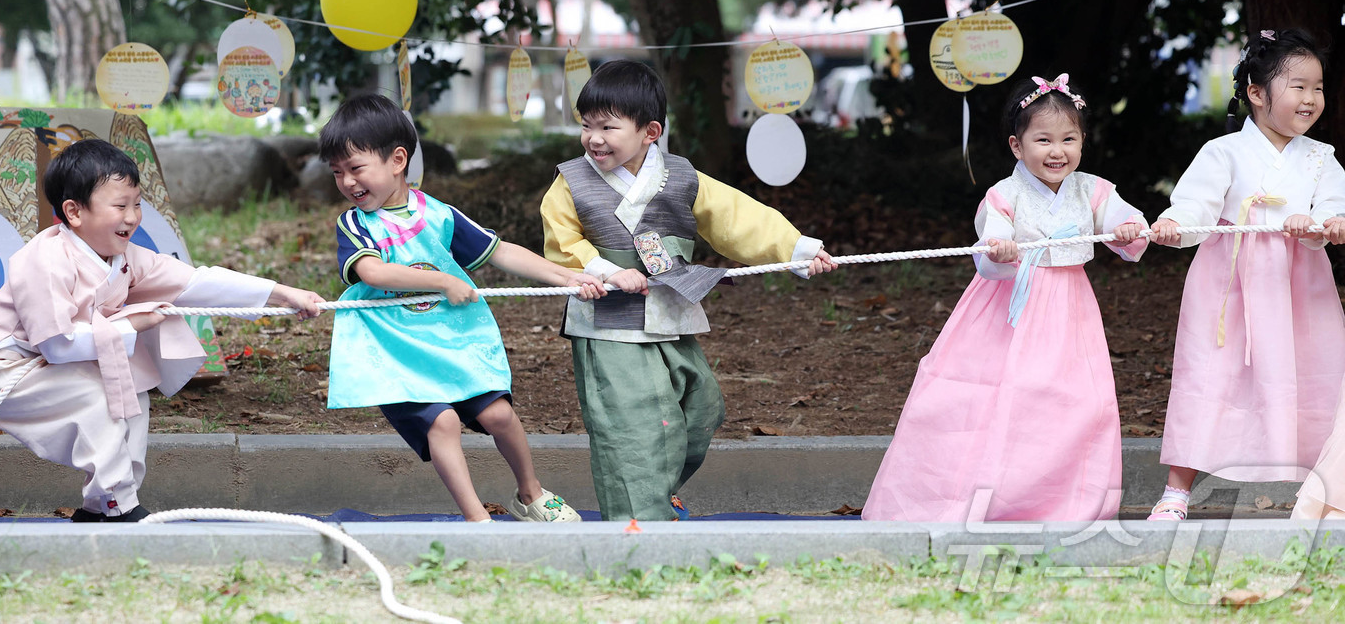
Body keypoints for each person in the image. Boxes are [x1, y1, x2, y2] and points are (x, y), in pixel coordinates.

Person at [0, 138, 325, 522]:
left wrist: (282, 294)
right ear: (74, 212)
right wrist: (131, 323)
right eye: (120, 205)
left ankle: (101, 505)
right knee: (101, 399)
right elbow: (58, 346)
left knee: (132, 393)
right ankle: (118, 505)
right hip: (7, 369)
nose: (132, 217)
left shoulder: (124, 258)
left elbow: (195, 283)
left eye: (137, 204)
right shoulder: (42, 261)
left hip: (55, 358)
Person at [541, 60, 836, 522]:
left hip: (671, 314)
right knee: (632, 426)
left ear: (650, 131)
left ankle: (654, 492)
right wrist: (602, 271)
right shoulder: (571, 181)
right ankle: (637, 527)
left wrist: (797, 250)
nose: (593, 138)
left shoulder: (681, 176)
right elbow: (560, 240)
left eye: (608, 126)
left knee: (702, 408)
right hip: (607, 325)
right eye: (586, 125)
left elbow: (739, 219)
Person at [863, 73, 1148, 522]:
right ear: (1017, 146)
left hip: (1069, 305)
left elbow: (1124, 223)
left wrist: (1131, 226)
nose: (1058, 151)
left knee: (1076, 401)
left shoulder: (1092, 189)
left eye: (1069, 139)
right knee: (990, 397)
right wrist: (1000, 247)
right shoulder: (1004, 195)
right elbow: (990, 243)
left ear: (1082, 141)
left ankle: (1062, 506)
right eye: (1044, 140)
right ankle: (977, 498)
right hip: (1007, 305)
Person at [318, 94, 606, 523]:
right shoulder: (356, 223)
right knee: (445, 423)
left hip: (453, 344)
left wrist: (568, 278)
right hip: (398, 354)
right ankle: (478, 521)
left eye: (356, 168)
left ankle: (531, 495)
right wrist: (442, 280)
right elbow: (374, 274)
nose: (347, 182)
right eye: (337, 172)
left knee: (499, 414)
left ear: (398, 160)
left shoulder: (438, 214)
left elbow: (500, 251)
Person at [1148, 29, 1345, 521]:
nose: (1310, 98)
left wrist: (1324, 226)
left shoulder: (1322, 158)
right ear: (1257, 94)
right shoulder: (1223, 152)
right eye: (1298, 86)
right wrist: (1175, 224)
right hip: (1229, 288)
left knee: (1317, 375)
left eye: (1317, 87)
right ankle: (1176, 492)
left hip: (1301, 289)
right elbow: (1194, 206)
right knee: (1209, 375)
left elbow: (1333, 210)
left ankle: (1326, 492)